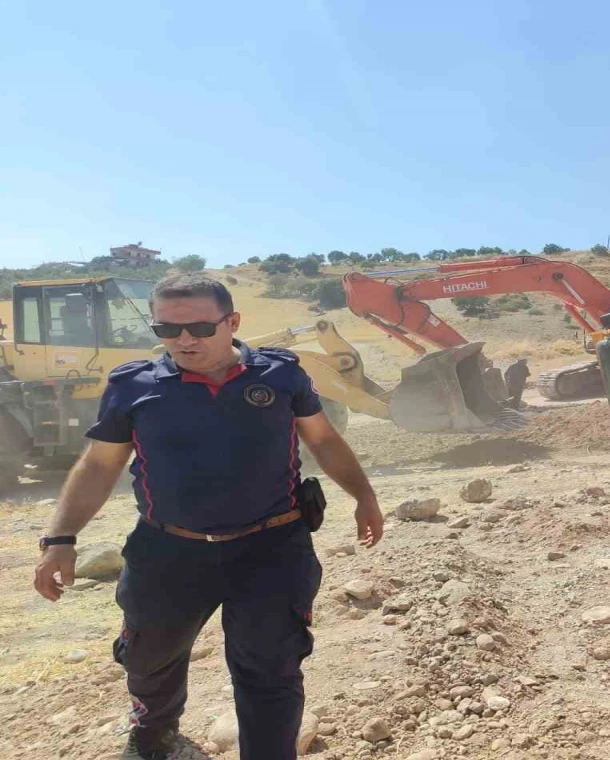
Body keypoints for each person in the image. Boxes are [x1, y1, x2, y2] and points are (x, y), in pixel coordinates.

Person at [32, 274, 384, 760]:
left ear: (232, 322)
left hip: (271, 548)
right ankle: (153, 734)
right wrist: (61, 538)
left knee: (271, 668)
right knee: (148, 659)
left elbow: (322, 439)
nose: (183, 340)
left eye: (199, 327)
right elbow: (98, 465)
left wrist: (363, 495)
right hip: (168, 552)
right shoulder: (134, 386)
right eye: (167, 329)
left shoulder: (280, 375)